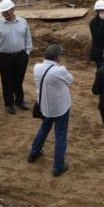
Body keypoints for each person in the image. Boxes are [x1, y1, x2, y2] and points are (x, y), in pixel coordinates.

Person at [28, 44, 73, 177]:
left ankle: (34, 153)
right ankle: (58, 166)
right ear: (58, 57)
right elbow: (71, 80)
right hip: (60, 107)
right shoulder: (60, 70)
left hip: (45, 106)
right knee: (60, 134)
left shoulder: (37, 67)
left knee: (44, 128)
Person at [0, 0, 33, 115]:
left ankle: (19, 101)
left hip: (20, 56)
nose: (5, 14)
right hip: (4, 58)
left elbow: (28, 38)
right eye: (3, 13)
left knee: (18, 80)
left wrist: (27, 52)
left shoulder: (23, 22)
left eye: (7, 12)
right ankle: (9, 104)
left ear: (13, 10)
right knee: (7, 81)